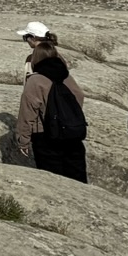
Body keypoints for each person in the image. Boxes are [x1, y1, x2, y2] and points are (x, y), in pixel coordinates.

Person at [15, 41, 89, 182]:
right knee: (77, 181)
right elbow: (79, 96)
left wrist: (23, 141)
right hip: (72, 135)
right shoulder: (67, 77)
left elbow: (27, 113)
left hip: (46, 138)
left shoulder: (35, 80)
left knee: (53, 181)